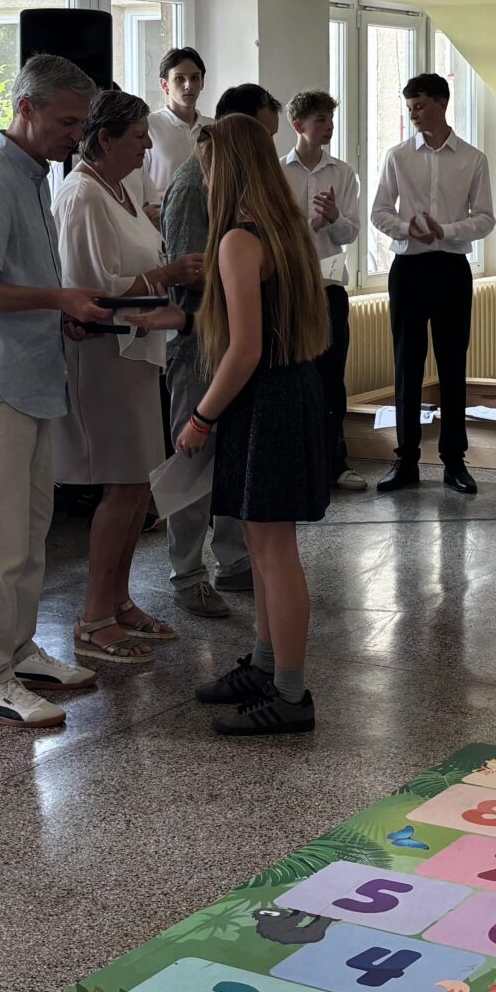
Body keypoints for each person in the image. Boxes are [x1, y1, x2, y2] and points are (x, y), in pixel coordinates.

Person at [0, 53, 112, 729]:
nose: (77, 135)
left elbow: (17, 281)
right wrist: (57, 298)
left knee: (30, 531)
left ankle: (17, 652)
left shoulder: (34, 175)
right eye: (67, 121)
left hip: (34, 376)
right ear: (26, 109)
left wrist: (61, 311)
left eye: (82, 123)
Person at [178, 115, 332, 736]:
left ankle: (290, 694)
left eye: (208, 167)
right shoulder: (285, 226)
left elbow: (244, 349)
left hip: (265, 398)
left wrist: (201, 416)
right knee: (265, 546)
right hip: (289, 391)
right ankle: (267, 666)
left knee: (273, 551)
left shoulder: (239, 240)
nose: (204, 179)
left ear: (229, 170)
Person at [53, 90, 189, 666]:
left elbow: (135, 261)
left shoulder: (124, 187)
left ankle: (119, 599)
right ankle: (93, 617)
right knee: (122, 483)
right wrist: (167, 274)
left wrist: (162, 274)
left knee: (140, 483)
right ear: (105, 139)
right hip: (103, 354)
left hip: (136, 350)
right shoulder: (81, 193)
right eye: (137, 136)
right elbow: (91, 288)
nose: (148, 145)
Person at [162, 87, 280, 612]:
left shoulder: (244, 193)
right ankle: (187, 574)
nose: (269, 147)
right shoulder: (195, 184)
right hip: (199, 346)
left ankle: (233, 561)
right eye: (263, 135)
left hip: (232, 346)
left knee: (232, 464)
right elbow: (190, 271)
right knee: (192, 464)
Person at [369, 72, 495, 496]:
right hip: (408, 268)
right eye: (409, 108)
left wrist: (445, 231)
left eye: (420, 106)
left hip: (451, 267)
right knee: (407, 363)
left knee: (452, 363)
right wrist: (407, 228)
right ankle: (405, 459)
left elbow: (485, 218)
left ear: (442, 103)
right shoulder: (398, 155)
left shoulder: (473, 158)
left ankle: (454, 461)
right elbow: (379, 211)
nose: (414, 115)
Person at [282, 89, 366, 492]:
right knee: (294, 376)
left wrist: (333, 218)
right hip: (290, 289)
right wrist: (309, 226)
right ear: (298, 125)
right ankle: (297, 463)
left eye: (331, 120)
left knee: (332, 378)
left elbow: (351, 232)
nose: (329, 127)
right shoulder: (278, 173)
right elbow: (274, 233)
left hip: (329, 286)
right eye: (321, 120)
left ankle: (335, 462)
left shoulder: (343, 173)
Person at [140, 46, 207, 211]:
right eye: (179, 78)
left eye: (194, 78)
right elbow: (136, 186)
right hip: (161, 219)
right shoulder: (148, 126)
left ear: (202, 82)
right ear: (165, 85)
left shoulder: (214, 127)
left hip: (208, 221)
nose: (188, 85)